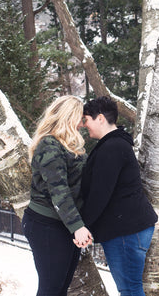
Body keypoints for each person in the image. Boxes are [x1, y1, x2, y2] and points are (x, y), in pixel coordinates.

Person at [79, 96, 158, 296]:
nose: (83, 124)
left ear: (100, 119)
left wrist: (82, 226)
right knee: (130, 288)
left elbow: (100, 193)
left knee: (129, 289)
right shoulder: (114, 144)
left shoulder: (112, 147)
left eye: (86, 119)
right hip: (127, 229)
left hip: (125, 232)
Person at [22, 95, 93, 296]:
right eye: (81, 118)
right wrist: (77, 226)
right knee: (50, 290)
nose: (83, 124)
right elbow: (59, 191)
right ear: (69, 117)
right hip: (46, 225)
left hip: (62, 225)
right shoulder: (49, 145)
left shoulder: (68, 146)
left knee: (60, 289)